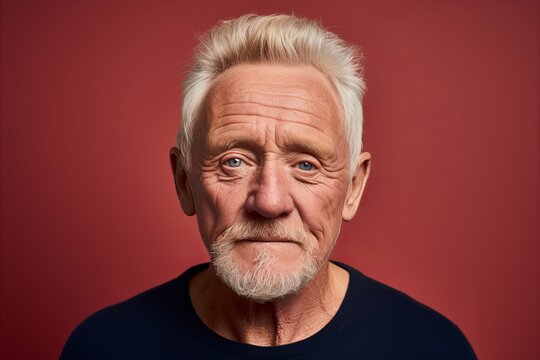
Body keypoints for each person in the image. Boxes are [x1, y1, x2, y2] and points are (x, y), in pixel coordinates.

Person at [61, 14, 476, 359]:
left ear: (353, 187)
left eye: (306, 164)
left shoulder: (433, 348)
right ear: (184, 182)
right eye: (234, 162)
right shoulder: (103, 347)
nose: (270, 201)